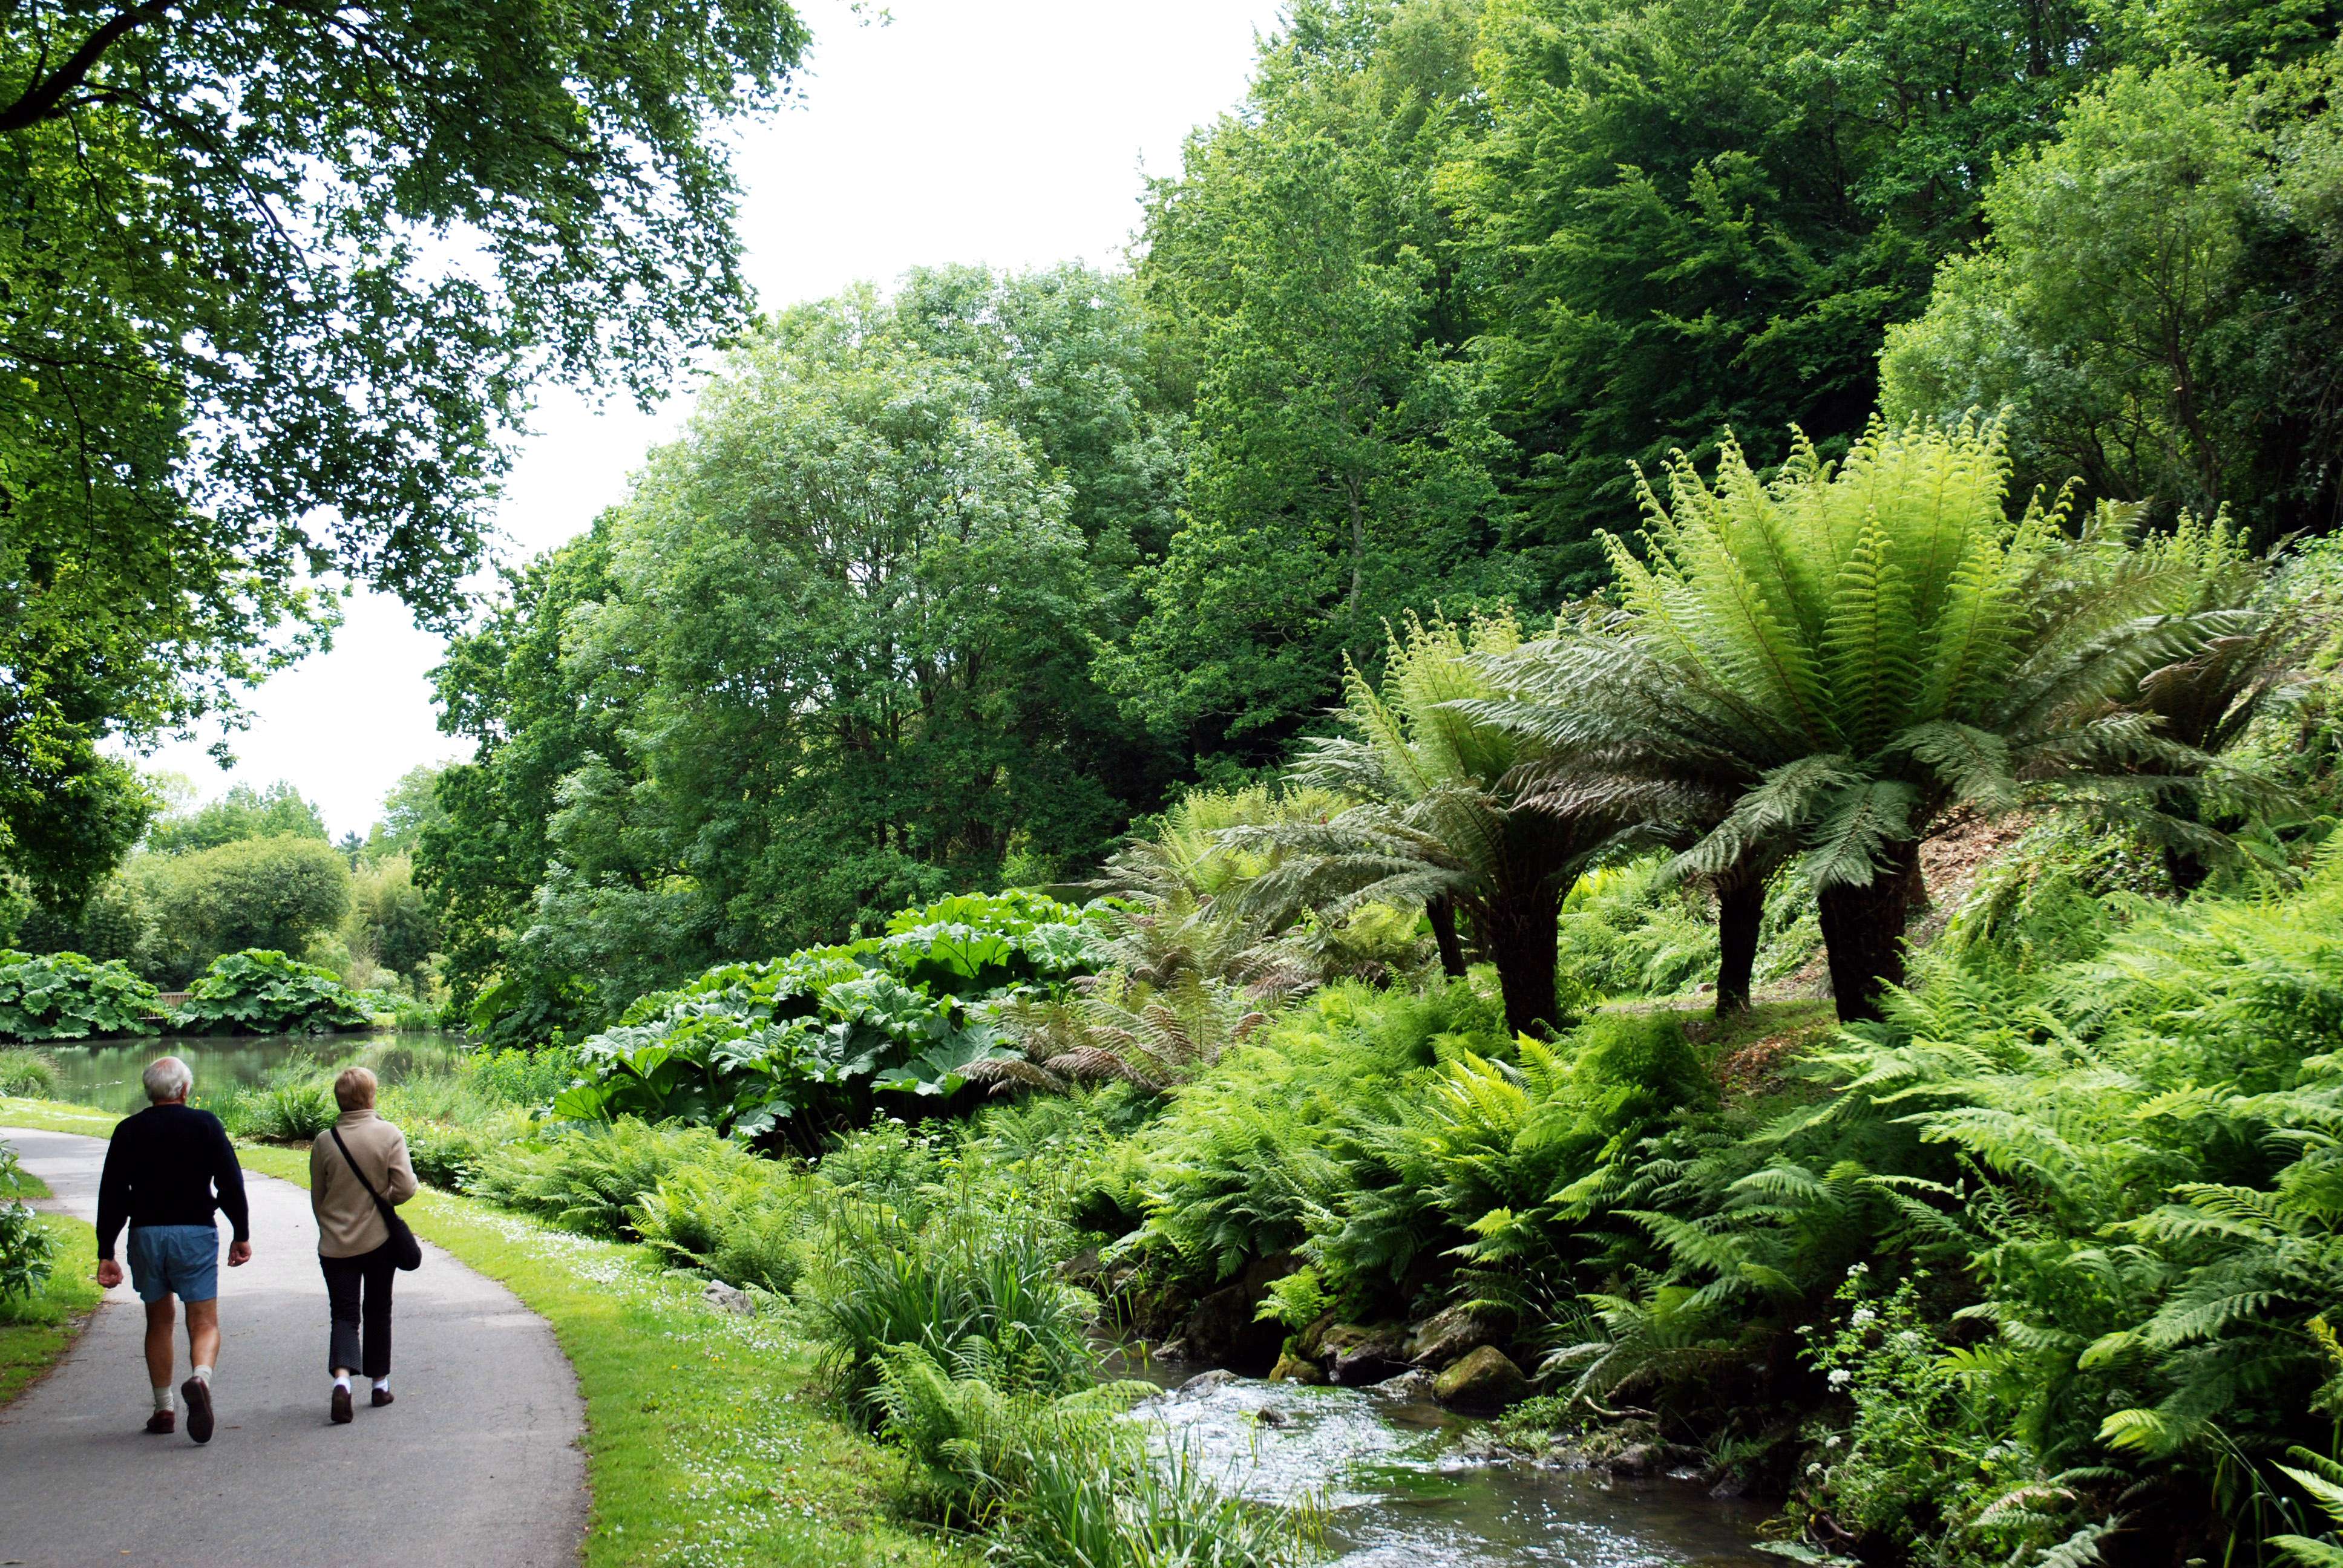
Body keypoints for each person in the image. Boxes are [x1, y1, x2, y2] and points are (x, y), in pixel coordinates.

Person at [94, 1056, 252, 1445]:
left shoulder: (128, 1130)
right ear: (185, 1090)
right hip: (195, 1232)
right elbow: (230, 1183)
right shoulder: (205, 1124)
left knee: (159, 1320)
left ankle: (164, 1409)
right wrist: (241, 1232)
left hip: (147, 1233)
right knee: (204, 1322)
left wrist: (106, 1250)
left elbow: (113, 1195)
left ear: (150, 1092)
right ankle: (200, 1378)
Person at [310, 1065, 418, 1425]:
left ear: (340, 1099)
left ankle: (342, 1381)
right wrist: (381, 1199)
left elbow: (319, 1197)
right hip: (379, 1241)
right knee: (377, 1310)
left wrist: (333, 1225)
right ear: (371, 1096)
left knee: (343, 1314)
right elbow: (405, 1188)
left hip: (335, 1244)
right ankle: (379, 1384)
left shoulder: (325, 1141)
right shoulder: (389, 1135)